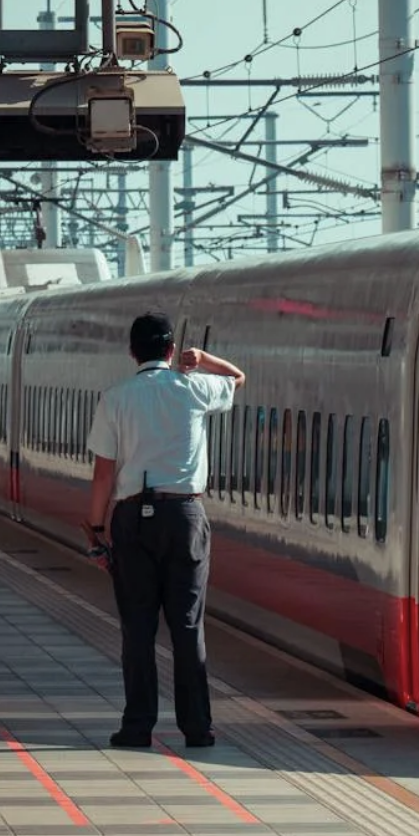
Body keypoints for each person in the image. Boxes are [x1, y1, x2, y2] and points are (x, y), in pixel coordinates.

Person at [83, 312, 245, 750]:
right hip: (186, 516)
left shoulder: (115, 398)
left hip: (132, 519)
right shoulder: (193, 388)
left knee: (137, 628)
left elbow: (103, 475)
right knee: (187, 626)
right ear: (172, 351)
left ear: (132, 352)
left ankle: (137, 727)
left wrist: (96, 529)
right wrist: (204, 358)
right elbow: (238, 378)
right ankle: (198, 728)